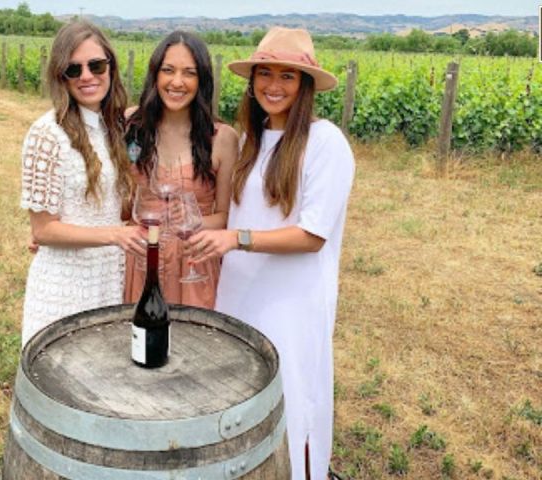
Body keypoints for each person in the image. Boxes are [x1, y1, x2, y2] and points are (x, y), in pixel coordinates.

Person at [187, 27, 355, 480]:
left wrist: (237, 239)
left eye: (288, 76)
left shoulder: (326, 144)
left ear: (304, 86)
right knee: (239, 392)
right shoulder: (250, 140)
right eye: (265, 73)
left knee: (291, 398)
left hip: (292, 300)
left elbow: (311, 236)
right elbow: (234, 216)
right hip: (240, 292)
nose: (274, 85)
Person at [19, 21, 146, 345]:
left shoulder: (118, 127)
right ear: (60, 76)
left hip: (111, 278)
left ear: (111, 67)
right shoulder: (47, 134)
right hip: (65, 283)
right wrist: (114, 235)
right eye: (73, 69)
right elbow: (43, 230)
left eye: (96, 65)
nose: (87, 76)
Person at [123, 31, 238, 309]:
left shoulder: (222, 138)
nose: (177, 82)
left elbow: (225, 218)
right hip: (142, 261)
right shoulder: (131, 124)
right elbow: (120, 201)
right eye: (168, 70)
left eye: (189, 73)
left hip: (193, 266)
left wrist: (192, 220)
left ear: (202, 80)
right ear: (155, 75)